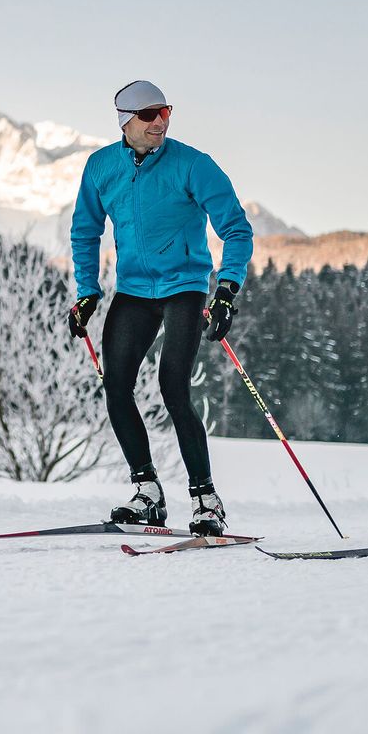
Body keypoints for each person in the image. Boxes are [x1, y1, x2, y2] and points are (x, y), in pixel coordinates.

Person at [68, 80, 255, 535]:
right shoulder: (100, 168)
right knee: (116, 386)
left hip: (184, 287)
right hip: (133, 291)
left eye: (166, 112)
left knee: (173, 385)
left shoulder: (193, 165)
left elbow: (237, 229)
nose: (160, 122)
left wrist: (227, 288)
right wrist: (87, 290)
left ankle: (207, 500)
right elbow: (85, 231)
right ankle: (147, 492)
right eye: (149, 115)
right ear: (125, 121)